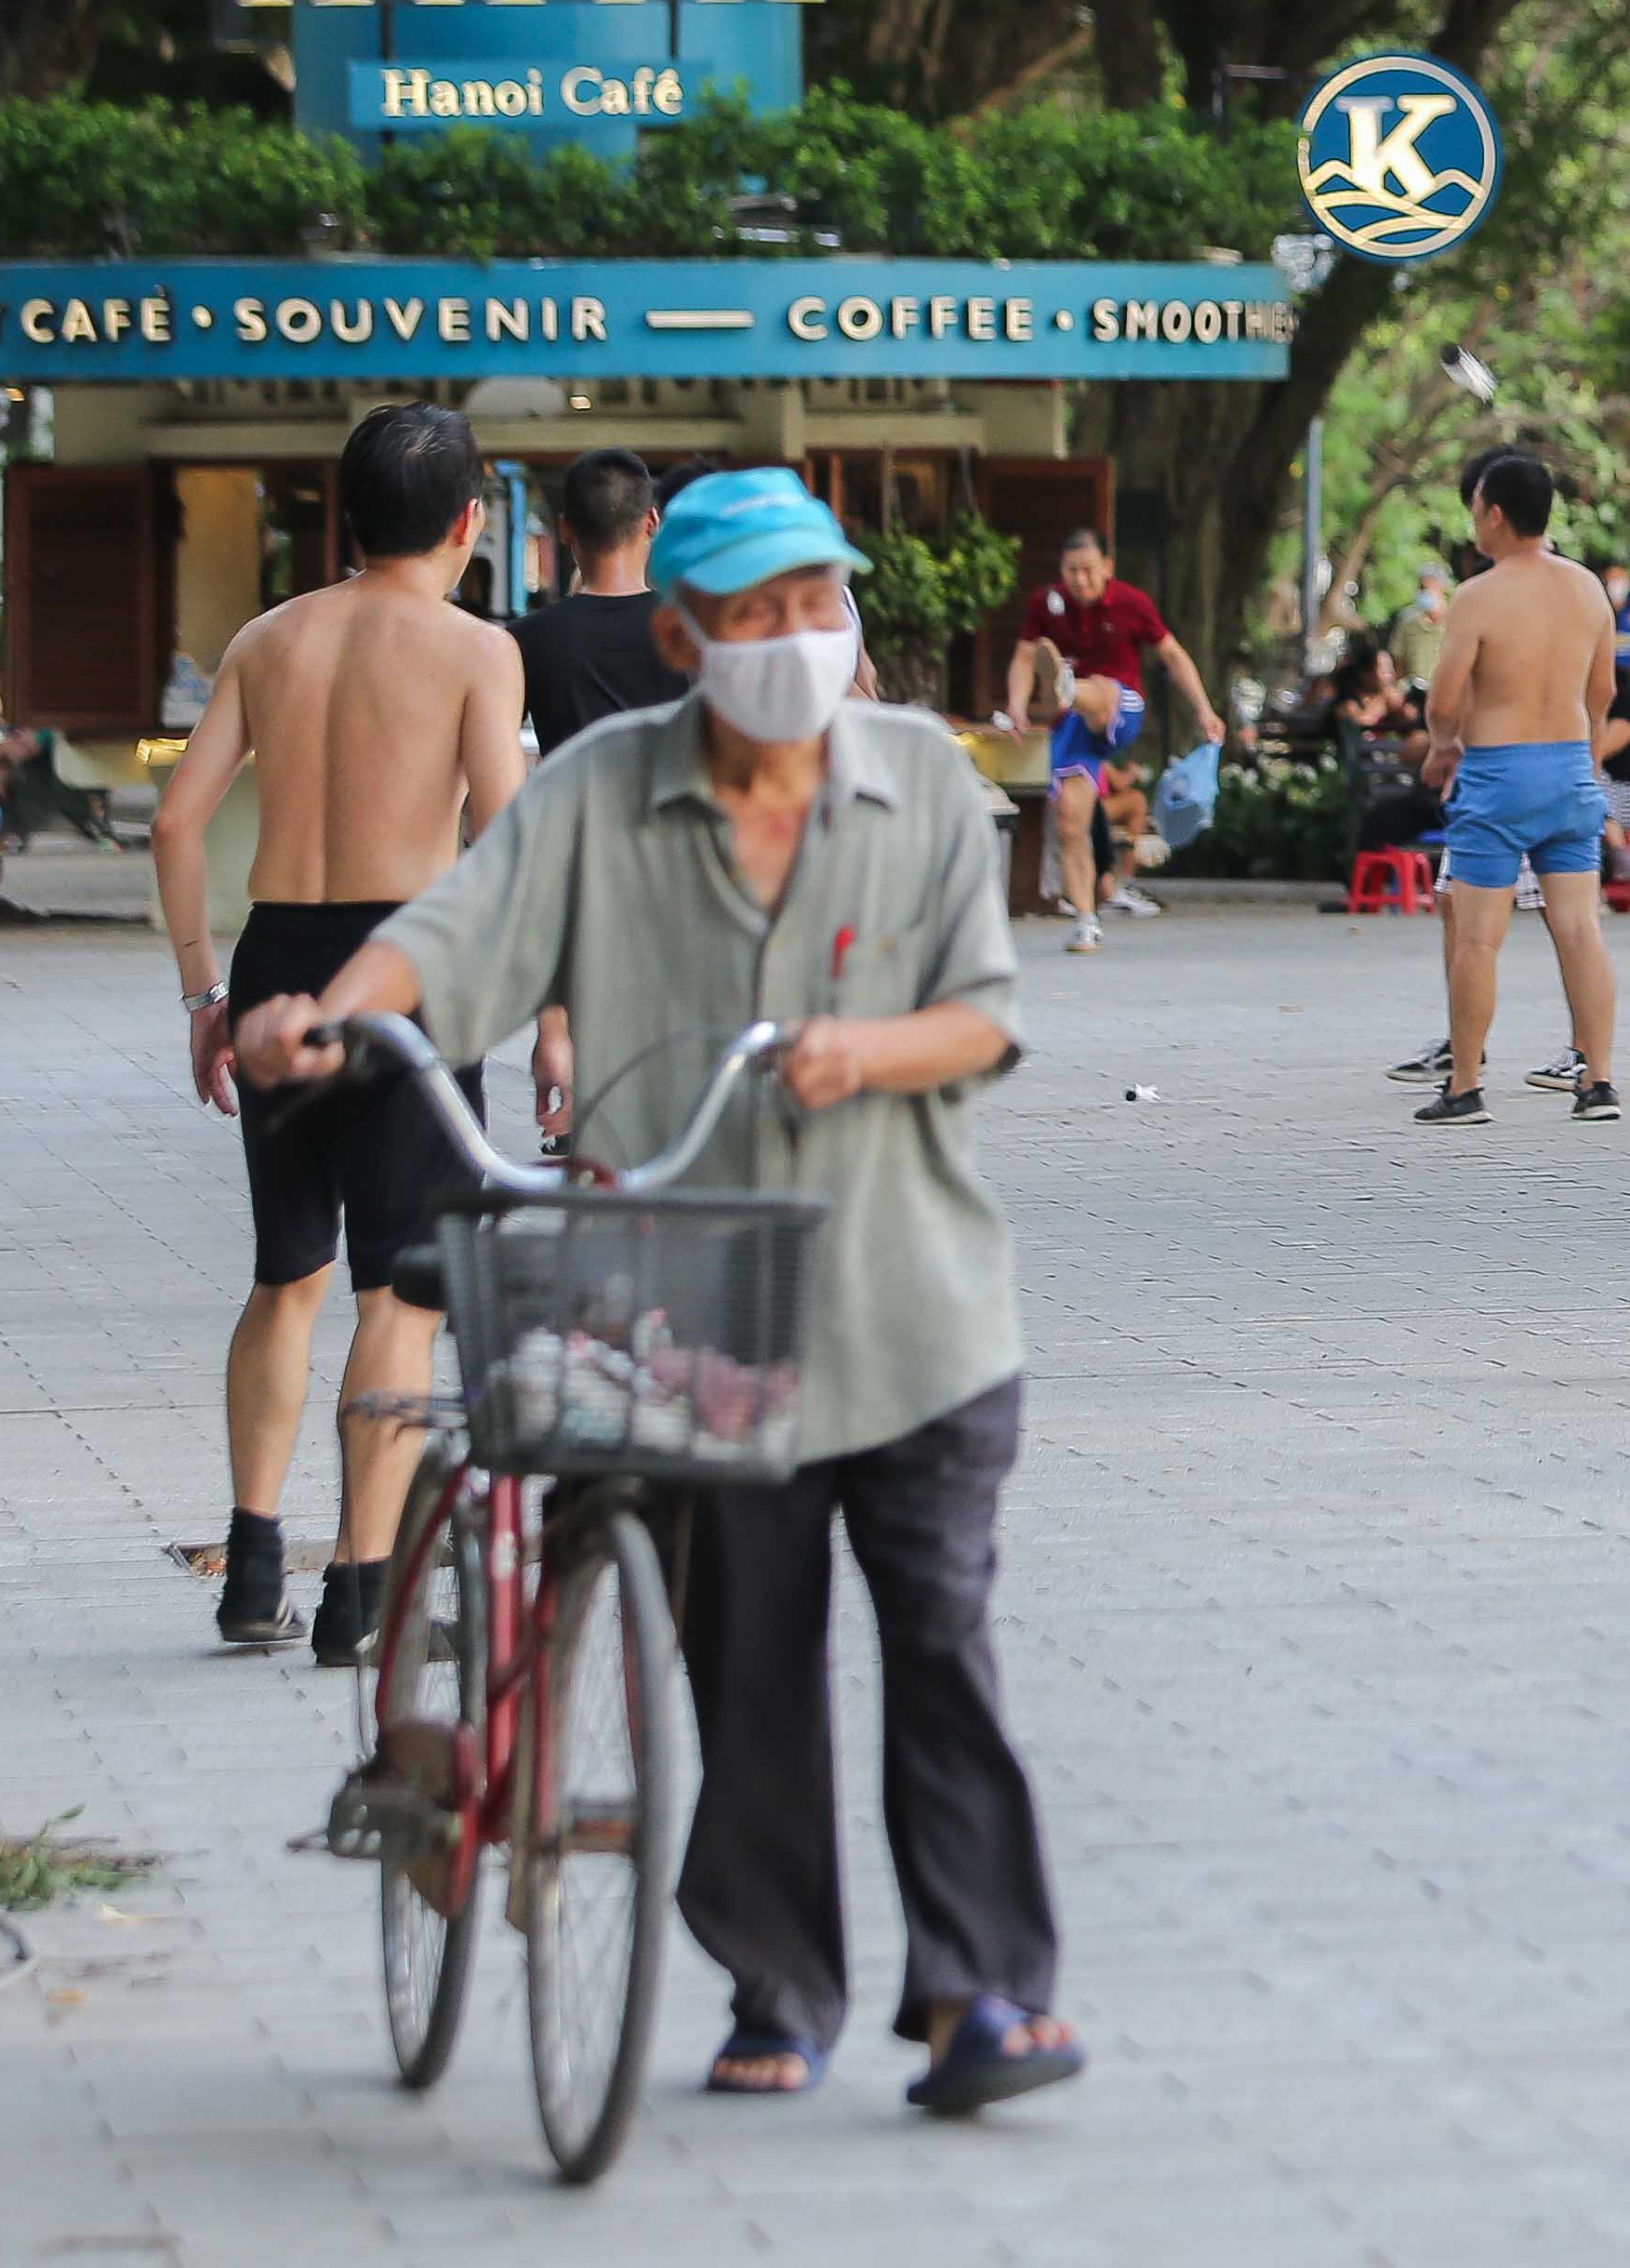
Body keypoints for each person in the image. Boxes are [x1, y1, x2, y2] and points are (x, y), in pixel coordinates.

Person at [232, 466, 1078, 2110]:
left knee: (942, 1648)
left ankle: (980, 1995)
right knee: (746, 1658)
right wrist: (332, 1013)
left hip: (915, 1307)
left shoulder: (916, 777)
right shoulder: (602, 790)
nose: (794, 641)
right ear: (680, 634)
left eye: (817, 607)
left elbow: (984, 1011)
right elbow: (452, 928)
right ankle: (778, 1986)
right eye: (754, 615)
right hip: (691, 1308)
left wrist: (867, 1049)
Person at [150, 402, 528, 1662]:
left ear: (344, 514)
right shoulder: (476, 651)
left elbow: (176, 824)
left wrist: (208, 995)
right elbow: (506, 843)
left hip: (275, 965)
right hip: (409, 973)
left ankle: (253, 1564)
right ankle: (363, 1592)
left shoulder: (266, 639)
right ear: (468, 523)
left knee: (286, 1275)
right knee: (400, 1293)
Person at [1408, 451, 1625, 1125]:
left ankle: (1466, 1085)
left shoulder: (1478, 595)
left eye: (1475, 507)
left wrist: (1444, 748)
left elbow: (1443, 702)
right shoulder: (1587, 588)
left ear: (1494, 514)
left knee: (1477, 938)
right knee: (1580, 929)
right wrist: (1585, 758)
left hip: (1498, 774)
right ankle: (1597, 1081)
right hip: (1568, 771)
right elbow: (1604, 692)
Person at [1002, 525, 1210, 950]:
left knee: (1099, 689)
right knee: (1069, 819)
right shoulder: (1046, 603)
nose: (1080, 580)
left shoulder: (1132, 603)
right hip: (1074, 727)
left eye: (1089, 571)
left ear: (1108, 568)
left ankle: (1068, 686)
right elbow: (1024, 657)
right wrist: (1017, 706)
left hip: (1121, 706)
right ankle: (1085, 920)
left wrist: (1204, 708)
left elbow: (1171, 654)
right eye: (1071, 571)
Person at [513, 446, 680, 749]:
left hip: (568, 796)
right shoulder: (688, 629)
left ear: (565, 529)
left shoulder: (523, 640)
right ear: (652, 521)